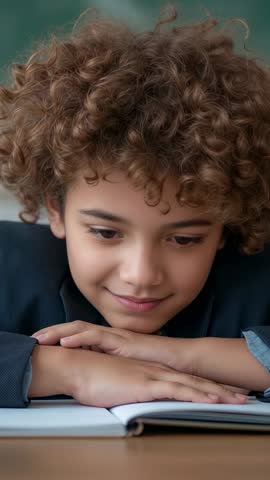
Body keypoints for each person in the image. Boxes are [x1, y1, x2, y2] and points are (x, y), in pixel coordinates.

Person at [0, 7, 270, 409]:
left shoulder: (257, 275)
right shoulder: (9, 261)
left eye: (184, 238)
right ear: (56, 208)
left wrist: (176, 355)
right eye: (106, 233)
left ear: (226, 226)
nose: (141, 275)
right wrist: (68, 370)